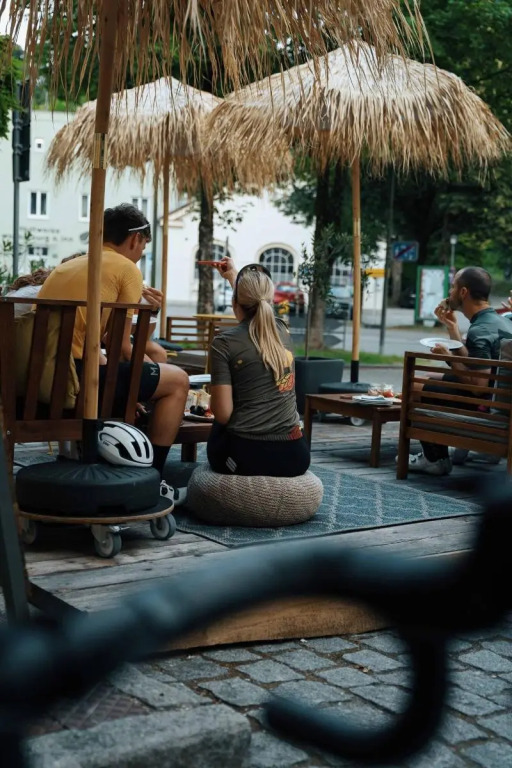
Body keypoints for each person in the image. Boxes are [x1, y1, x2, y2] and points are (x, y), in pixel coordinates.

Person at [38, 203, 189, 485]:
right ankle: (152, 475)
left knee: (146, 376)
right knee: (178, 381)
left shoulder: (68, 266)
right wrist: (155, 373)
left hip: (42, 379)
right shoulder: (126, 269)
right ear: (135, 239)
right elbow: (122, 346)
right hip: (76, 381)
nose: (141, 254)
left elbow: (104, 340)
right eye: (143, 247)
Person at [206, 258, 310, 476]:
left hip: (247, 456)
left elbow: (223, 415)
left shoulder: (223, 343)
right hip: (296, 456)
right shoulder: (283, 330)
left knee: (219, 425)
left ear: (234, 302)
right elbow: (256, 302)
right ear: (270, 302)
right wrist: (233, 276)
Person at [406, 267, 512, 475]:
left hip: (486, 404)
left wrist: (448, 357)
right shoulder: (501, 321)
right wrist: (453, 329)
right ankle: (435, 455)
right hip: (499, 396)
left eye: (453, 286)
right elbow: (477, 364)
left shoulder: (480, 330)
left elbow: (478, 387)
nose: (450, 291)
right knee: (426, 378)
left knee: (414, 385)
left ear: (463, 292)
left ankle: (435, 459)